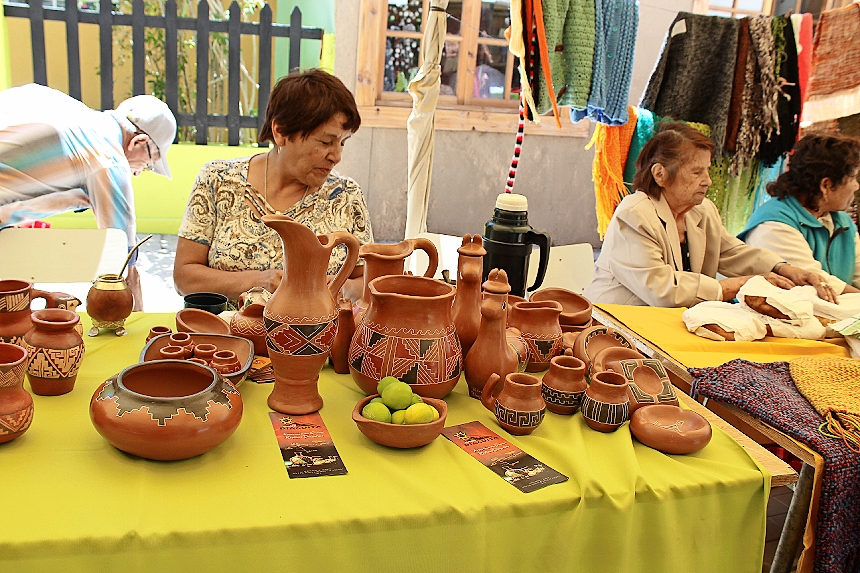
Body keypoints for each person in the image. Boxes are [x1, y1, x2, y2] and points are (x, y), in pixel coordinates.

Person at [173, 69, 373, 303]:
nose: (336, 156)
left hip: (319, 327)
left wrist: (343, 288)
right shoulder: (218, 180)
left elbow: (368, 281)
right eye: (326, 141)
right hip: (225, 326)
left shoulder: (346, 196)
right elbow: (184, 277)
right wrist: (258, 282)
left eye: (343, 142)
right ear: (280, 132)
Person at [586, 121, 834, 307]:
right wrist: (740, 285)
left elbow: (732, 252)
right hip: (619, 324)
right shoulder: (635, 214)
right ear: (660, 174)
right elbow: (663, 291)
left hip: (669, 322)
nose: (708, 181)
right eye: (696, 172)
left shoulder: (701, 211)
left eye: (707, 170)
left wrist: (783, 269)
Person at [0, 83, 177, 309]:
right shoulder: (108, 160)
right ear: (138, 142)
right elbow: (123, 262)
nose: (138, 173)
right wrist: (141, 322)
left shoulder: (66, 108)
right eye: (149, 164)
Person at [739, 133, 860, 295]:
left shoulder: (842, 223)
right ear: (826, 185)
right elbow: (816, 284)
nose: (856, 186)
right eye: (852, 179)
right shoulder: (774, 225)